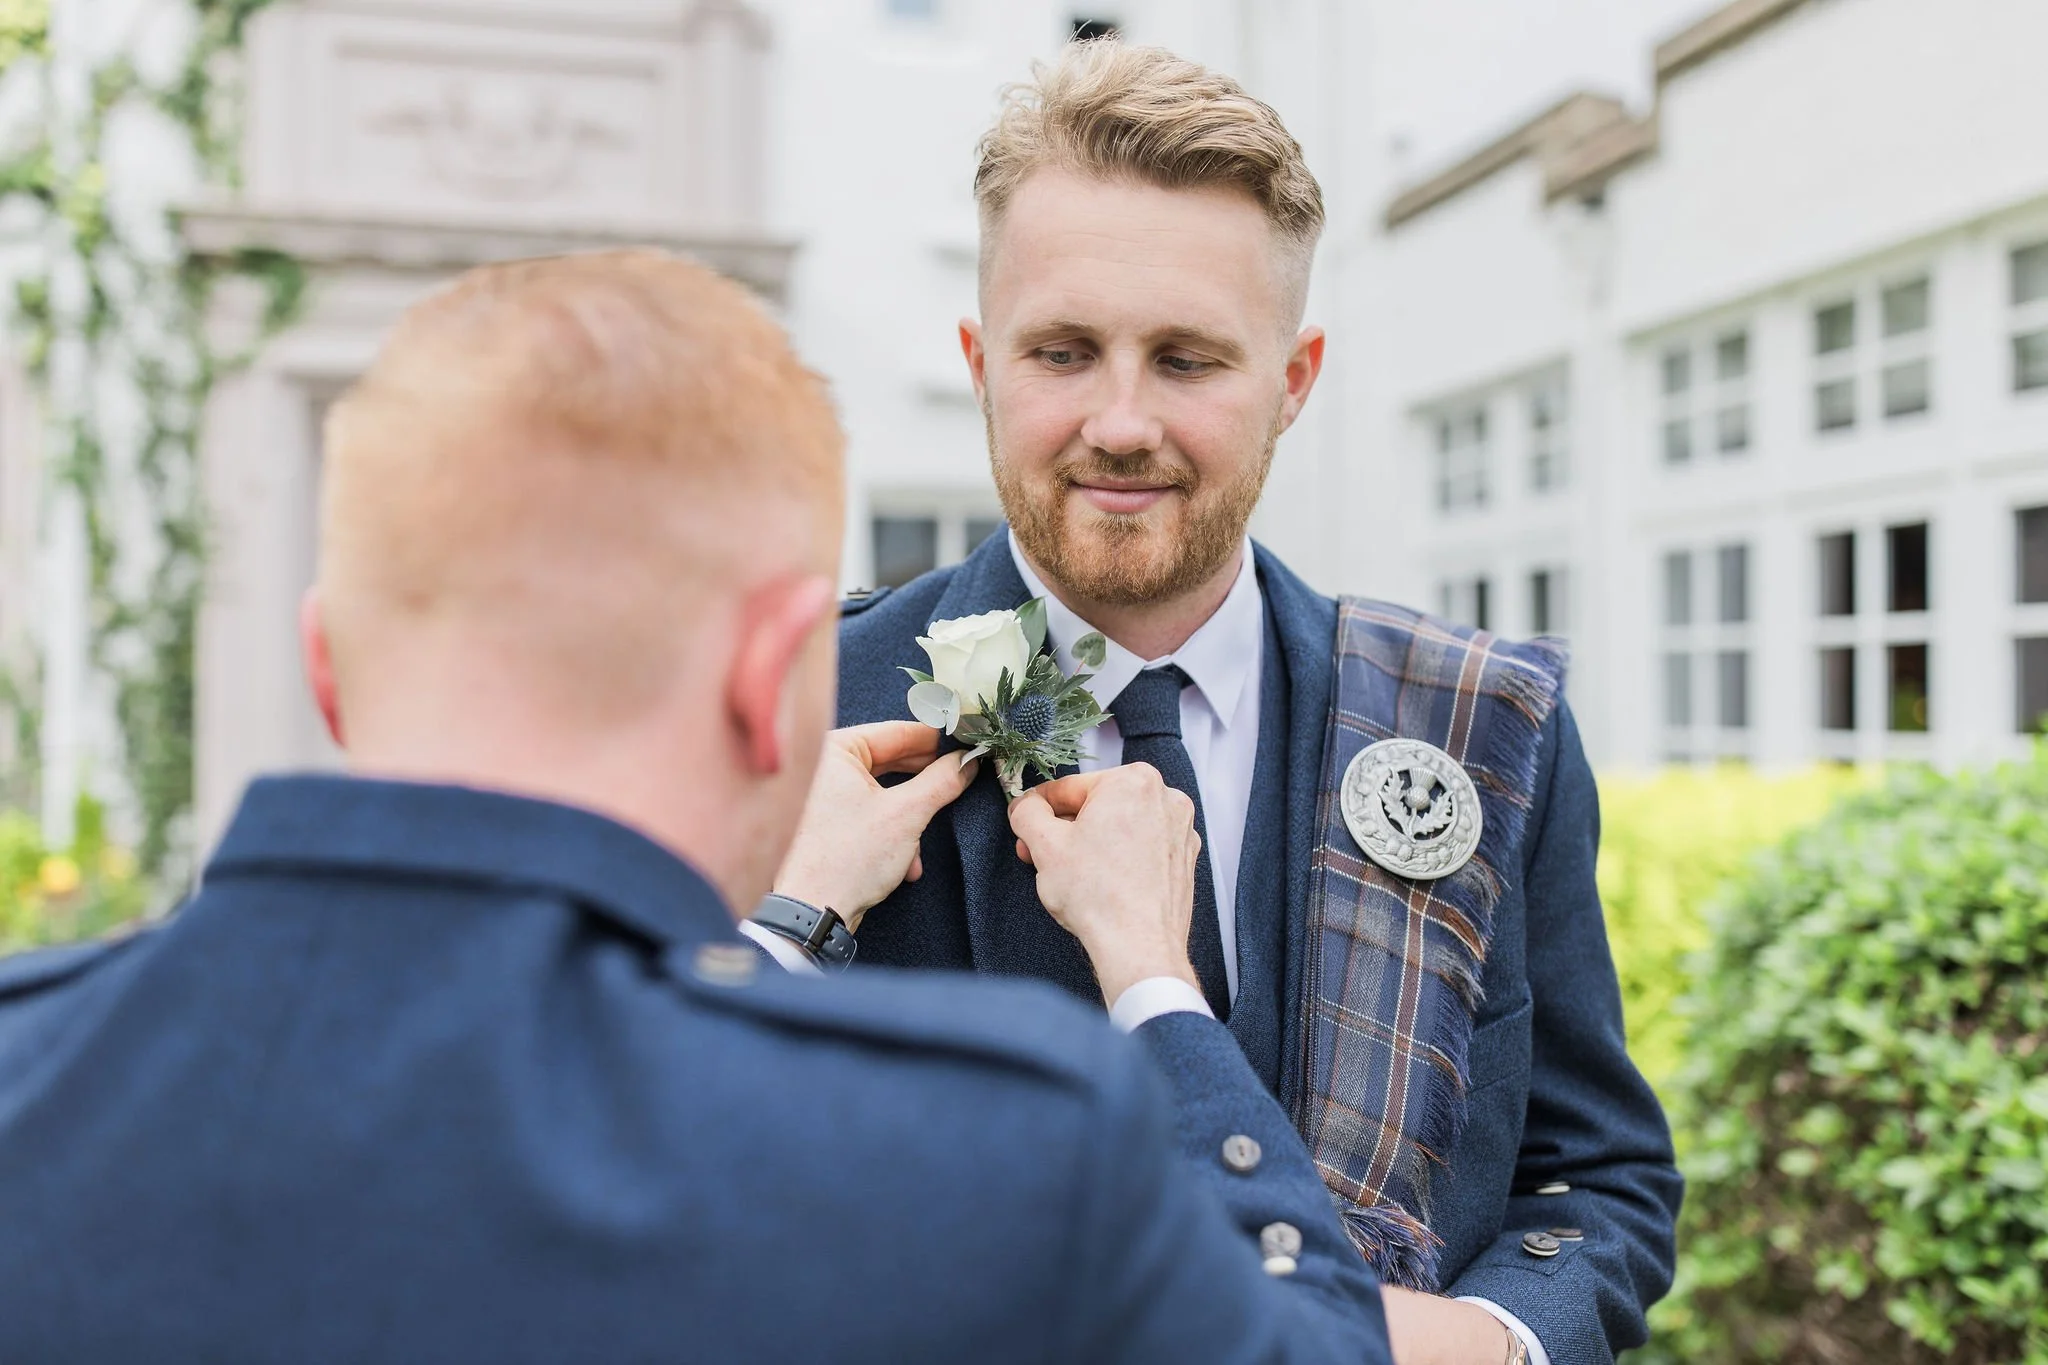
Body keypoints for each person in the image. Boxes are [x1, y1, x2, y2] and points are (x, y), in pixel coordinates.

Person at [0, 251, 1395, 1363]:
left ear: (326, 662)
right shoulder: (994, 1155)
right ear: (771, 674)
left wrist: (784, 924)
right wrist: (1159, 992)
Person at [820, 42, 1682, 1365]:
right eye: (1063, 350)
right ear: (980, 361)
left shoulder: (1476, 727)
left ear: (1293, 380)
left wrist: (1495, 1338)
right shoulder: (812, 706)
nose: (1119, 420)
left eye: (1185, 360)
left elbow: (1595, 1184)